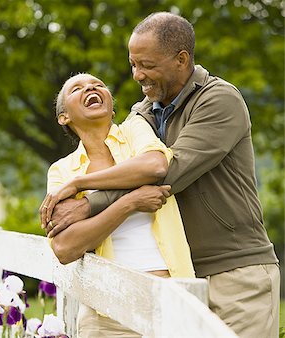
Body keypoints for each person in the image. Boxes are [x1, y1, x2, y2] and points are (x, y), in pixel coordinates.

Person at [40, 12, 279, 338]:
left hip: (234, 269)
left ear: (181, 60)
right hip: (186, 276)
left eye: (147, 65)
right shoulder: (144, 112)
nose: (138, 75)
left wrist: (86, 200)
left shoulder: (219, 100)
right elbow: (66, 246)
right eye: (133, 64)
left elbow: (167, 172)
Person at [42, 72, 194, 337]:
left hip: (171, 294)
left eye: (98, 85)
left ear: (112, 107)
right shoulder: (61, 170)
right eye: (77, 88)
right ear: (64, 117)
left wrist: (80, 185)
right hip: (106, 309)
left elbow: (155, 165)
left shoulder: (135, 128)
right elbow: (65, 247)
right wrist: (130, 202)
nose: (91, 88)